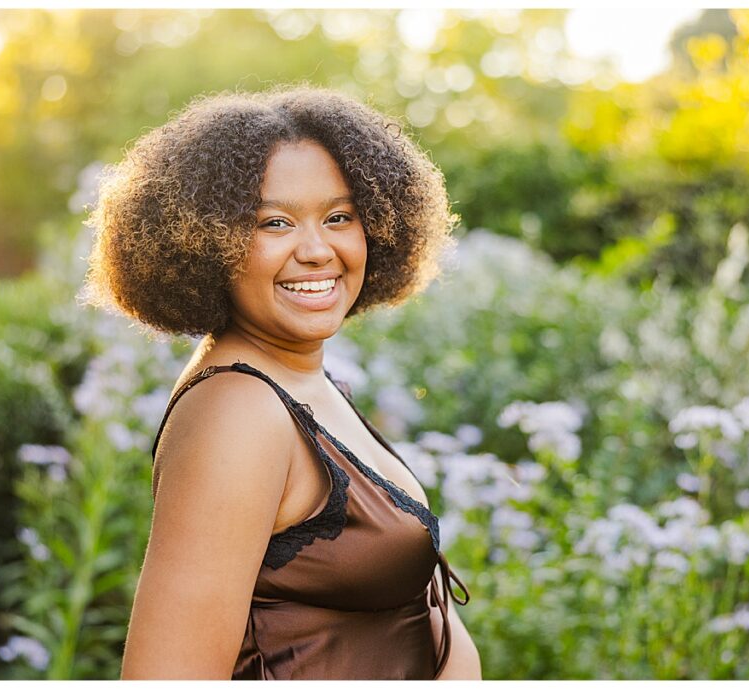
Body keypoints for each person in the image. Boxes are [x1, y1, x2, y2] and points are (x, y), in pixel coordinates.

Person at [81, 84, 480, 680]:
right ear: (207, 242)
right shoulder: (237, 412)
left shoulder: (303, 383)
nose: (318, 250)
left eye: (339, 216)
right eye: (274, 222)